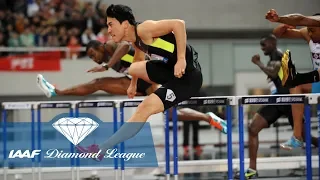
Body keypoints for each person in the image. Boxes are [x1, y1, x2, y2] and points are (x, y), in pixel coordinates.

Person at [74, 4, 214, 160]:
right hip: (169, 71)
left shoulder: (144, 29)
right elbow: (139, 58)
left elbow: (178, 24)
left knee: (144, 108)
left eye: (111, 25)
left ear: (125, 24)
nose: (109, 30)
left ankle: (102, 148)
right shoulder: (136, 41)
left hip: (188, 76)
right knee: (134, 67)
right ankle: (102, 149)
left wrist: (181, 59)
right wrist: (133, 84)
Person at [37, 40, 227, 132]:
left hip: (152, 77)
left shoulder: (110, 47)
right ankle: (57, 92)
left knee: (170, 113)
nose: (93, 58)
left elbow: (125, 45)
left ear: (101, 47)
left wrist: (108, 64)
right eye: (90, 56)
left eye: (93, 53)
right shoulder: (105, 57)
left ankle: (208, 117)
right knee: (98, 84)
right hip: (137, 82)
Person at [234, 35, 318, 179]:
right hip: (277, 100)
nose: (262, 48)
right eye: (261, 45)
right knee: (253, 128)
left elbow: (273, 72)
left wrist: (258, 62)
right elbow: (275, 74)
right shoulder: (273, 57)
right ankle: (251, 170)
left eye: (264, 44)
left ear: (272, 43)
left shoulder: (280, 55)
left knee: (307, 137)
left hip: (289, 100)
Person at [265, 10, 320, 149]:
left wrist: (280, 18)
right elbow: (276, 35)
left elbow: (300, 18)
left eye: (312, 30)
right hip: (318, 81)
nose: (310, 34)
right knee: (295, 85)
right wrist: (282, 26)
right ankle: (297, 137)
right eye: (309, 31)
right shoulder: (308, 34)